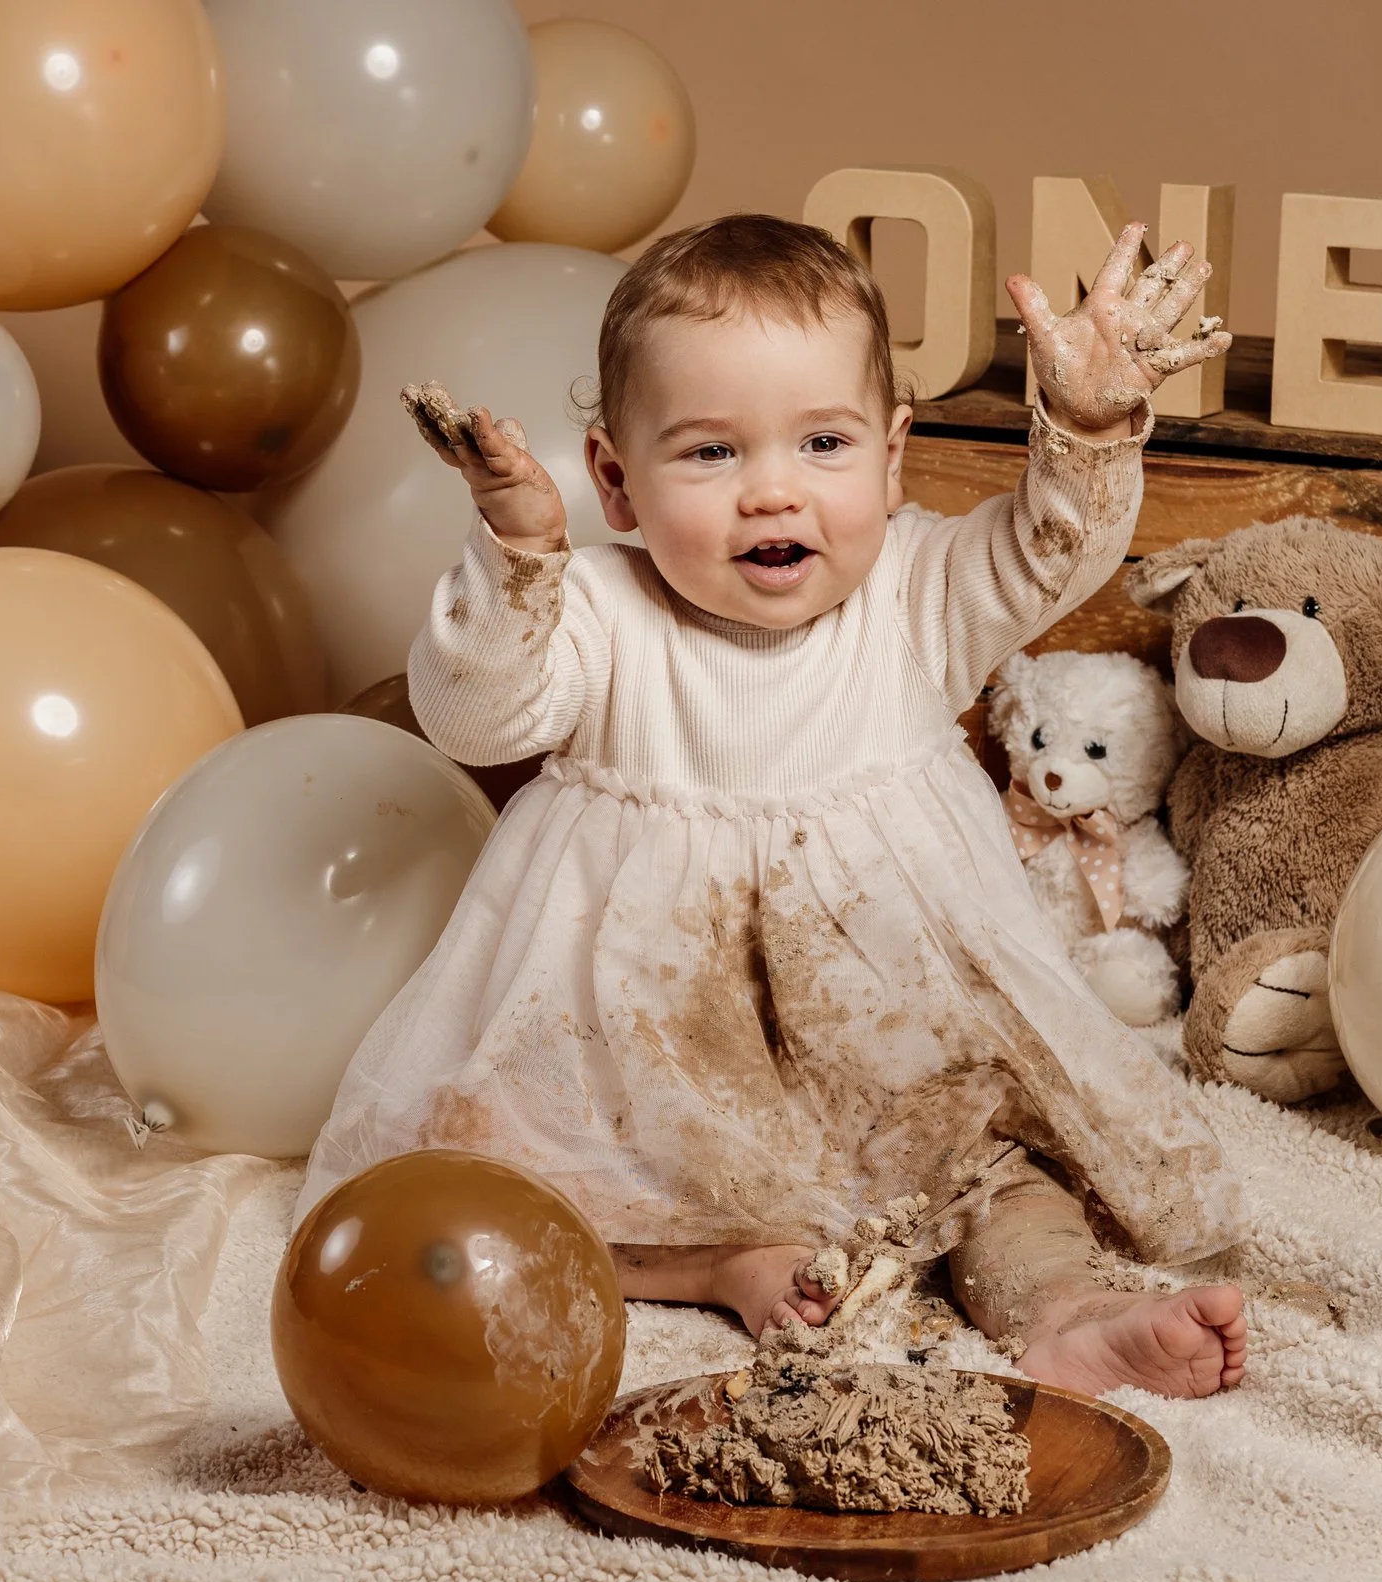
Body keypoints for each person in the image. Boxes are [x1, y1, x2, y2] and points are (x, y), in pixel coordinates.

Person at [304, 214, 1247, 1398]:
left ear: (893, 460)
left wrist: (1091, 425)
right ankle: (726, 1261)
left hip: (888, 1025)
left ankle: (1061, 1307)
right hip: (655, 1031)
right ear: (615, 478)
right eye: (708, 454)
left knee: (992, 1163)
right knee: (511, 1159)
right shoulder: (594, 605)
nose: (770, 492)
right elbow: (474, 717)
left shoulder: (915, 593)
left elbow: (1055, 548)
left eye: (821, 443)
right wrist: (519, 553)